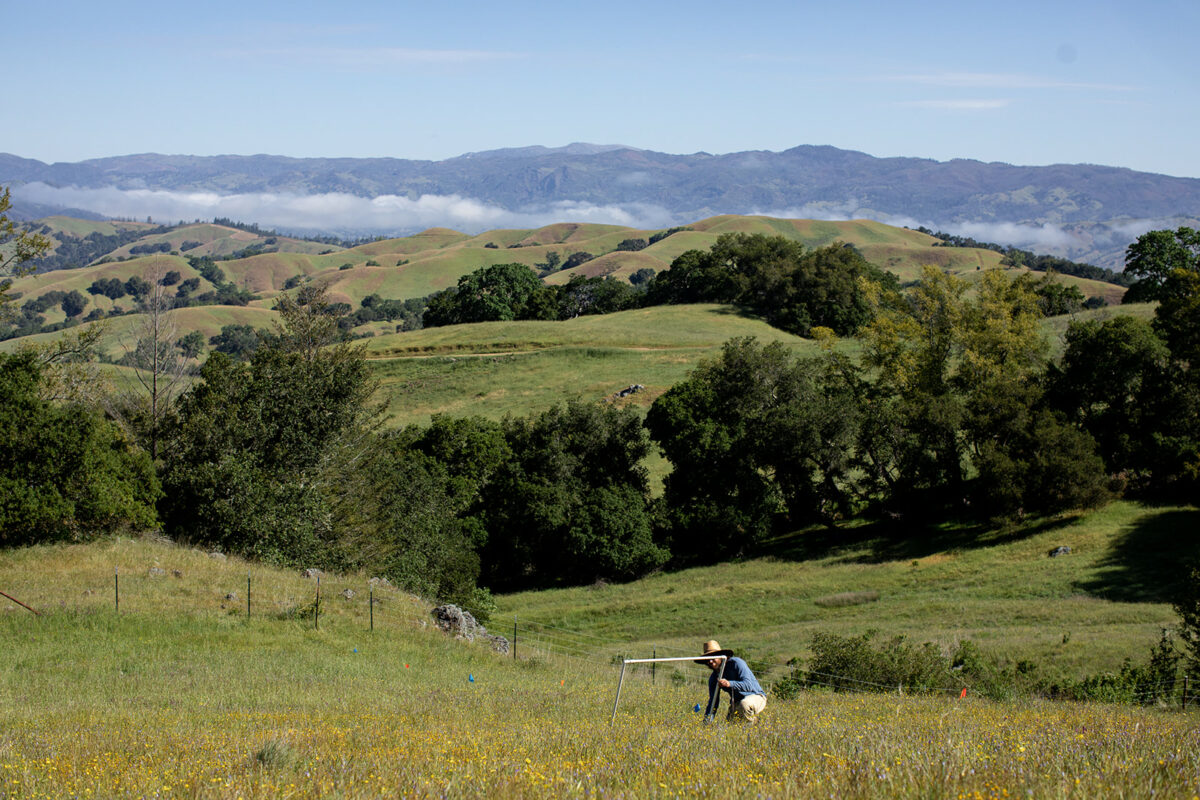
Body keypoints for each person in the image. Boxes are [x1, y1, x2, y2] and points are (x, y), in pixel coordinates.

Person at [696, 639, 766, 724]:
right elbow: (713, 702)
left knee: (744, 704)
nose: (710, 661)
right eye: (707, 659)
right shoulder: (714, 678)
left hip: (756, 696)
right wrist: (707, 722)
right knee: (729, 727)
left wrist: (729, 683)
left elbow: (748, 686)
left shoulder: (736, 663)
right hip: (736, 703)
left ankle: (754, 728)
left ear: (720, 656)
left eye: (713, 658)